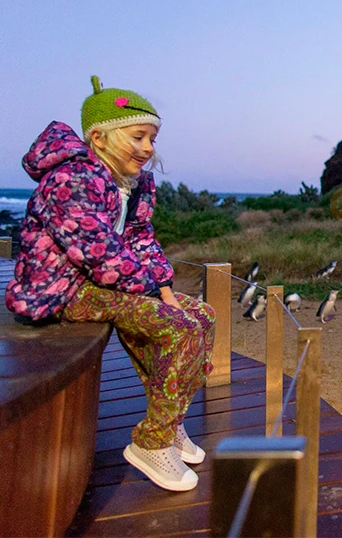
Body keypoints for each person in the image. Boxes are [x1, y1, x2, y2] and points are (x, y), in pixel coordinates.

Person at [4, 76, 215, 492]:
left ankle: (168, 423)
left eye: (152, 139)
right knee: (177, 326)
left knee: (201, 316)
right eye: (138, 136)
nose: (148, 148)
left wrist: (167, 290)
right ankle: (151, 443)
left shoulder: (131, 187)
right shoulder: (71, 180)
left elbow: (140, 240)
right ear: (99, 138)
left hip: (103, 284)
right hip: (61, 288)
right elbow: (97, 251)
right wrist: (155, 296)